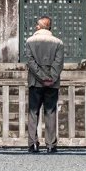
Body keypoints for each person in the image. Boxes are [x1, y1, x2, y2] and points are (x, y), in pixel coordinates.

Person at [24, 15, 64, 154]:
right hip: (52, 83)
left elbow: (30, 62)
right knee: (50, 112)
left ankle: (33, 143)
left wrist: (41, 77)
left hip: (35, 82)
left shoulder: (30, 41)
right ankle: (51, 144)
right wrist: (50, 77)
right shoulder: (58, 43)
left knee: (33, 112)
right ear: (50, 27)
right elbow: (58, 63)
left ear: (39, 26)